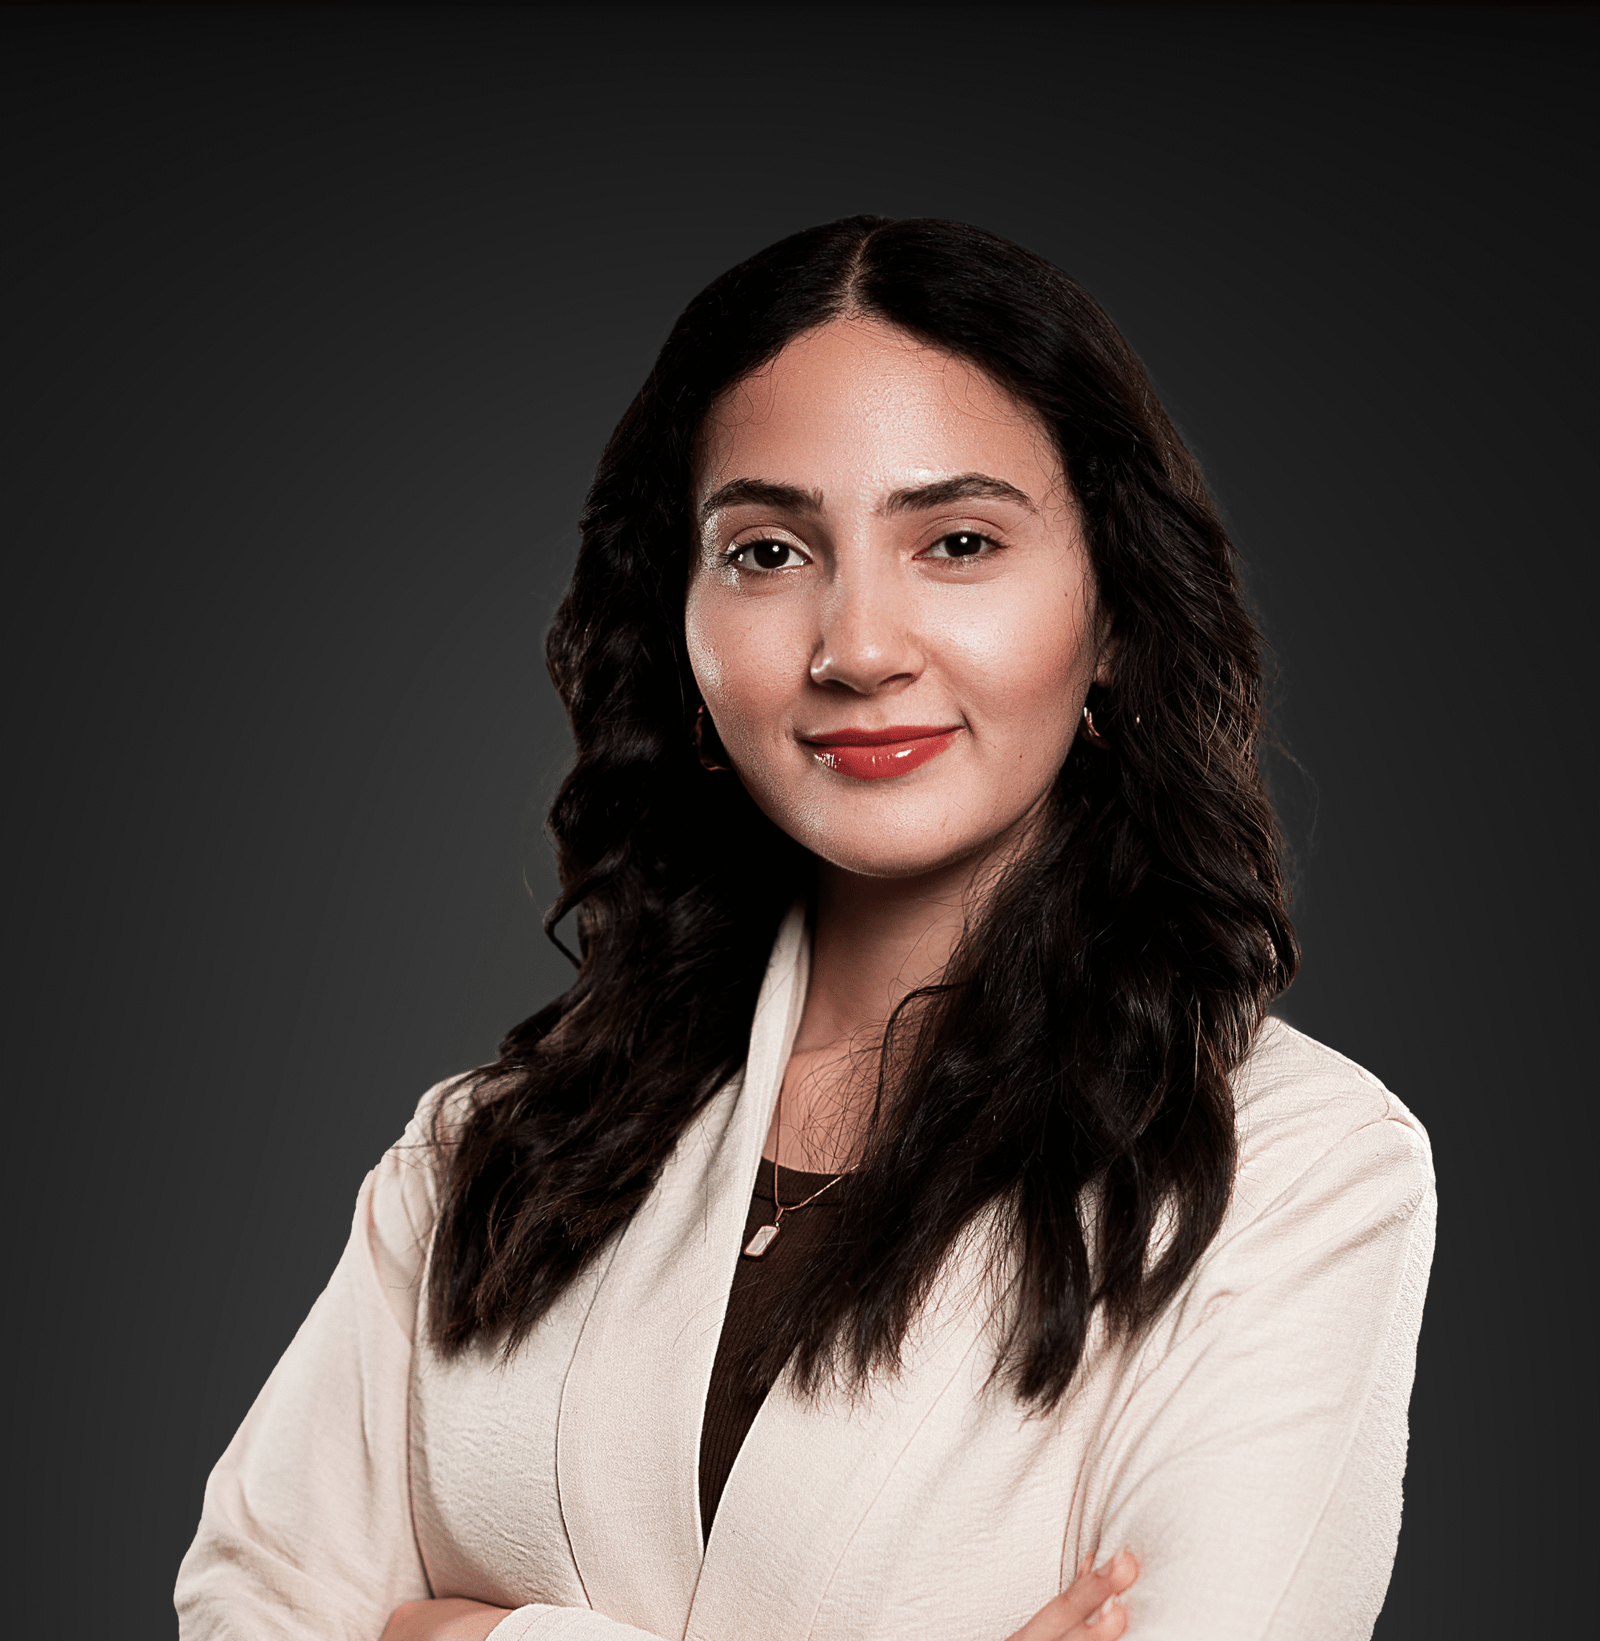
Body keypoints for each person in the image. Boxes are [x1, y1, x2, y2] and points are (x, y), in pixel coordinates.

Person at [175, 217, 1435, 1641]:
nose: (858, 648)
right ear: (680, 621)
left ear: (1116, 612)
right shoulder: (480, 1155)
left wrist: (459, 1635)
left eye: (958, 542)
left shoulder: (1298, 1170)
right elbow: (249, 1610)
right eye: (769, 551)